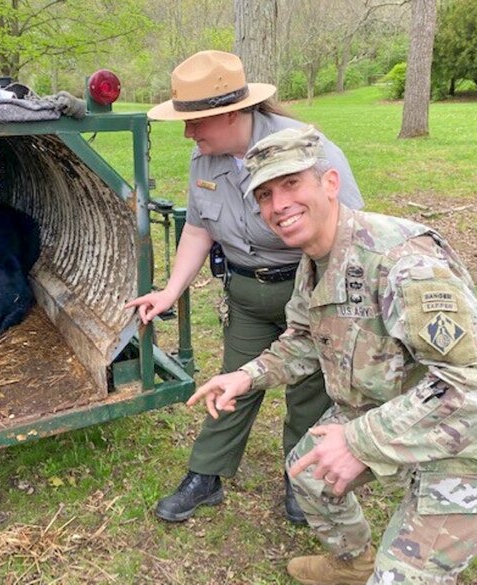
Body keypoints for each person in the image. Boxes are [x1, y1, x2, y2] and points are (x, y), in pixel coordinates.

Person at [188, 127, 477, 584]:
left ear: (330, 184)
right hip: (393, 410)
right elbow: (304, 339)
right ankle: (352, 562)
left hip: (474, 444)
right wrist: (245, 377)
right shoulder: (315, 259)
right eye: (265, 195)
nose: (278, 205)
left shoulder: (402, 261)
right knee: (309, 472)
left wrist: (359, 441)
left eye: (292, 184)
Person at [126, 50, 364, 524]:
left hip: (307, 291)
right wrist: (170, 291)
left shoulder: (305, 151)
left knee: (309, 390)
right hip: (247, 294)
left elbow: (350, 231)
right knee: (233, 381)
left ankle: (301, 478)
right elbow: (198, 228)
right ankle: (205, 475)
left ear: (231, 113)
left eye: (195, 122)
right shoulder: (205, 161)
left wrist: (335, 303)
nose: (189, 133)